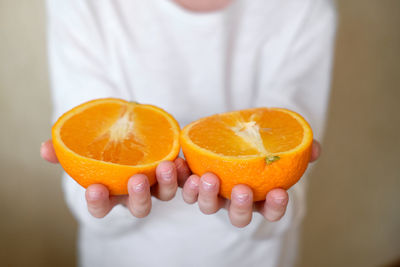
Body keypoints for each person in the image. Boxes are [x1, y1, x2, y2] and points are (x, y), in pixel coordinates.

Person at [40, 0, 337, 266]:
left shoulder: (306, 10)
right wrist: (115, 204)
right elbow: (86, 186)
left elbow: (287, 185)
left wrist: (242, 207)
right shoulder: (83, 5)